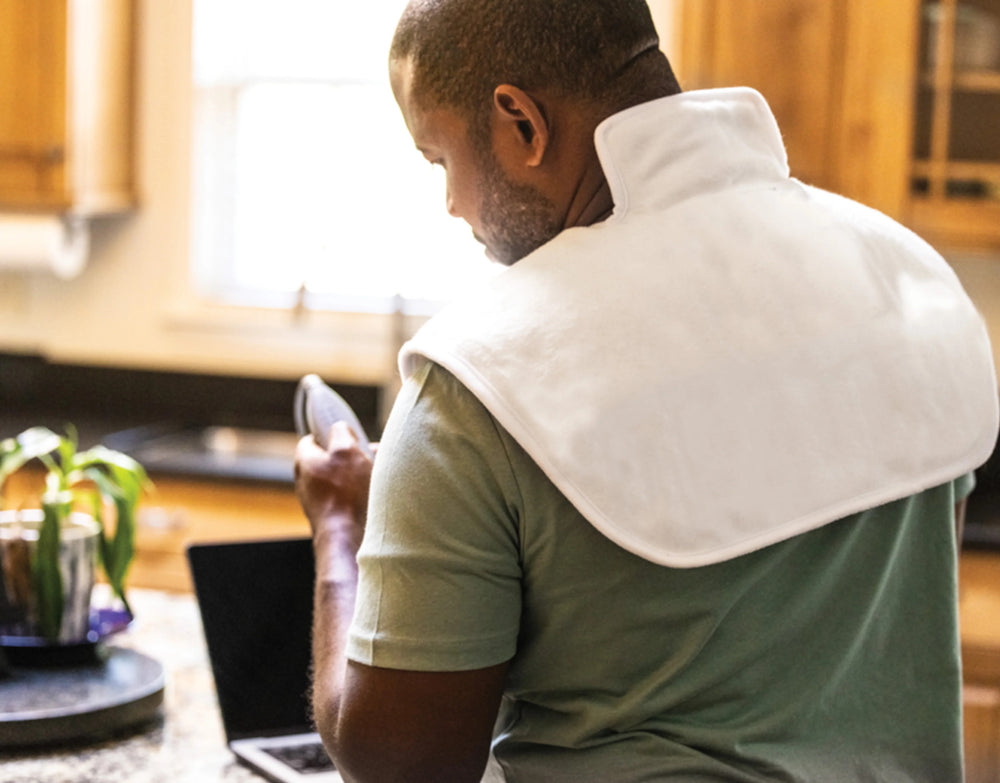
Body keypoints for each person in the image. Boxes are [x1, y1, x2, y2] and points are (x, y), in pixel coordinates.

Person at [294, 1, 999, 780]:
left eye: (440, 160)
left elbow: (403, 761)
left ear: (520, 123)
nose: (452, 205)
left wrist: (341, 530)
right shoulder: (907, 281)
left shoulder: (476, 382)